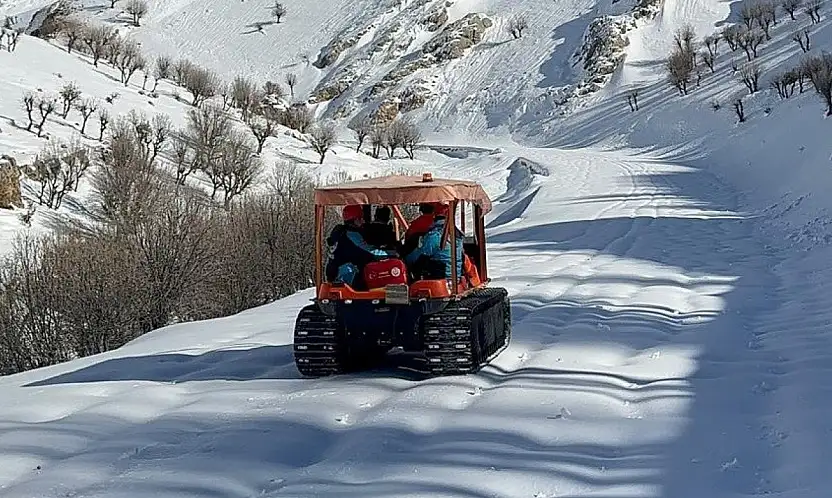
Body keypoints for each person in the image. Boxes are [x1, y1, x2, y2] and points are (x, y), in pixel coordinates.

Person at [325, 204, 391, 288]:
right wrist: (391, 254)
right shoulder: (351, 235)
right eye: (361, 218)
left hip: (339, 273)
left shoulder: (342, 233)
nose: (363, 221)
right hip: (348, 276)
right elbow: (370, 252)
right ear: (355, 220)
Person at [404, 203, 465, 282]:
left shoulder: (434, 236)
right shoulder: (457, 236)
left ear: (435, 216)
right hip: (455, 278)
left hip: (440, 278)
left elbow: (421, 254)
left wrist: (406, 260)